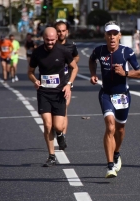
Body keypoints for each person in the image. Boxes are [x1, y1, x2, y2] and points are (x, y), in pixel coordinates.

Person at [89, 21, 140, 178]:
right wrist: (93, 74)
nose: (112, 37)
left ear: (119, 36)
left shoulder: (127, 52)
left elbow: (139, 73)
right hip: (106, 94)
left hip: (123, 96)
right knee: (110, 127)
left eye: (115, 34)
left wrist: (125, 73)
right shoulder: (99, 51)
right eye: (109, 34)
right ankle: (110, 166)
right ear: (105, 36)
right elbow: (91, 60)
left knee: (120, 129)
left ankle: (117, 152)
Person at [27, 27, 79, 167]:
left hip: (59, 93)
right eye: (47, 40)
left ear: (56, 38)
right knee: (47, 124)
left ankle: (60, 134)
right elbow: (30, 72)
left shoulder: (63, 51)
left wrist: (68, 84)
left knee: (58, 126)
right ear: (43, 38)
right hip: (44, 92)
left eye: (52, 40)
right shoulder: (37, 52)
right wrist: (35, 81)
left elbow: (75, 68)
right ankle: (51, 156)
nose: (50, 42)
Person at [54, 20, 80, 150]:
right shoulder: (51, 44)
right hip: (52, 83)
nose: (61, 33)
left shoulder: (71, 46)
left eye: (63, 31)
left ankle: (62, 136)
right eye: (58, 31)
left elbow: (77, 58)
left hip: (66, 82)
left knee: (63, 109)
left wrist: (70, 62)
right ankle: (59, 132)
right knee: (54, 114)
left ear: (67, 32)